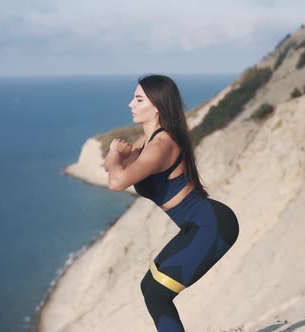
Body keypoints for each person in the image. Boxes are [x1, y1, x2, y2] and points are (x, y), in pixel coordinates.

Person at [104, 74, 240, 331]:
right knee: (149, 287)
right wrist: (116, 158)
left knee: (158, 295)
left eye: (138, 99)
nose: (130, 104)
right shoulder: (146, 141)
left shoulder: (161, 144)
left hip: (212, 225)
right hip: (195, 226)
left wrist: (114, 153)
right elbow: (113, 172)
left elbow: (116, 181)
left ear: (156, 105)